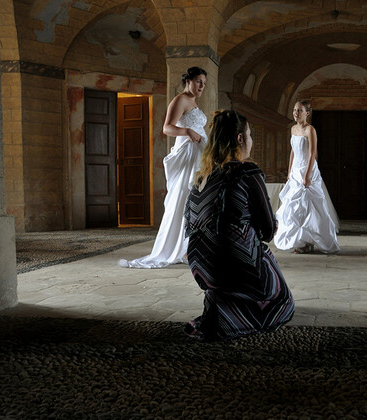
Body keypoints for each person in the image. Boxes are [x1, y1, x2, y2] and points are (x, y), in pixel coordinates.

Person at [183, 110, 295, 341]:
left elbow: (190, 224)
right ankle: (240, 314)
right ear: (240, 138)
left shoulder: (201, 177)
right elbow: (267, 231)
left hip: (200, 265)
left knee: (231, 240)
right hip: (231, 262)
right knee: (281, 298)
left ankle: (225, 307)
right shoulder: (247, 171)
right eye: (250, 135)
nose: (251, 140)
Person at [118, 67, 208, 269]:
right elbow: (167, 128)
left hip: (198, 154)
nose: (202, 86)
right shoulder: (180, 100)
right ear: (188, 81)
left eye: (204, 83)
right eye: (198, 82)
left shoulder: (193, 102)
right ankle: (179, 248)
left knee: (195, 198)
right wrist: (187, 131)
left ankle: (189, 248)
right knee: (185, 196)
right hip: (188, 155)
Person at [274, 100, 340, 254]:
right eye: (294, 110)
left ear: (307, 113)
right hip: (296, 171)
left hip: (307, 169)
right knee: (295, 208)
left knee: (310, 207)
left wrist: (307, 176)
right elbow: (293, 151)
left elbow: (312, 154)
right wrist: (290, 171)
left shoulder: (310, 130)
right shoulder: (293, 129)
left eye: (299, 110)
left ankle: (311, 241)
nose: (296, 113)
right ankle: (302, 241)